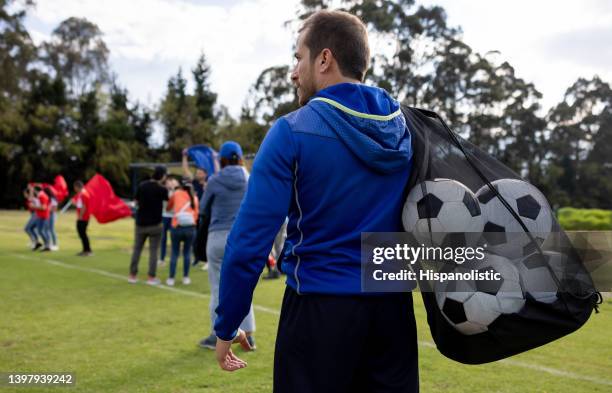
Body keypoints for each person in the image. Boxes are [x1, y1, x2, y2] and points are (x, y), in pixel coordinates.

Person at [213, 10, 416, 393]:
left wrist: (226, 325)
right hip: (394, 315)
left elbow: (249, 242)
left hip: (319, 311)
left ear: (324, 59)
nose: (293, 72)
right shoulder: (408, 127)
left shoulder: (291, 131)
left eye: (297, 58)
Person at [198, 141, 256, 351]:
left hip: (217, 235)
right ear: (240, 157)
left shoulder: (214, 179)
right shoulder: (248, 177)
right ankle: (248, 335)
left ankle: (217, 335)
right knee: (242, 286)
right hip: (240, 236)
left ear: (221, 159)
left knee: (217, 288)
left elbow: (203, 208)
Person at [129, 166, 169, 285]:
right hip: (155, 225)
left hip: (140, 223)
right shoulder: (162, 189)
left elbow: (135, 202)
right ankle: (151, 277)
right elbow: (168, 202)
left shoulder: (142, 185)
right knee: (153, 251)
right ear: (162, 175)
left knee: (137, 249)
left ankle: (132, 275)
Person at [165, 181, 198, 286]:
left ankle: (171, 278)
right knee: (187, 252)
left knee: (174, 253)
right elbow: (196, 215)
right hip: (190, 228)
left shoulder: (176, 194)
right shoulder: (195, 198)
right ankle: (186, 277)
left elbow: (168, 207)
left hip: (176, 226)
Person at [182, 149, 209, 267]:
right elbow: (186, 170)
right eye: (197, 172)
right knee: (195, 238)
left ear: (205, 174)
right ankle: (197, 257)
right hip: (195, 215)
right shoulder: (194, 183)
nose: (198, 174)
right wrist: (184, 157)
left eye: (200, 172)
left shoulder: (210, 184)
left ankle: (207, 259)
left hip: (206, 215)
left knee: (206, 237)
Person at [159, 177, 179, 267]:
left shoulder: (177, 193)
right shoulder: (163, 192)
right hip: (164, 217)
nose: (170, 184)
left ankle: (173, 258)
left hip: (173, 217)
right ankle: (161, 259)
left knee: (173, 239)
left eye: (172, 182)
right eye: (168, 183)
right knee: (163, 239)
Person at [74, 180, 92, 256]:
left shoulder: (84, 194)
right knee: (81, 234)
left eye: (75, 187)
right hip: (82, 217)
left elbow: (84, 206)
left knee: (83, 234)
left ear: (77, 187)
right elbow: (80, 205)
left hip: (83, 217)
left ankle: (88, 250)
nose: (74, 189)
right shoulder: (81, 194)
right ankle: (85, 249)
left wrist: (80, 216)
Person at [32, 185, 52, 252]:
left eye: (34, 190)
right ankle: (47, 245)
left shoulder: (42, 196)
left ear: (36, 190)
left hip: (43, 216)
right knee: (41, 231)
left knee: (41, 231)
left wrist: (34, 207)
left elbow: (43, 207)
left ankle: (47, 245)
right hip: (41, 215)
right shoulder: (41, 195)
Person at [23, 184, 41, 250]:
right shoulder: (30, 198)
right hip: (34, 215)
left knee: (27, 228)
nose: (24, 195)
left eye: (25, 193)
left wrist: (31, 189)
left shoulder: (34, 198)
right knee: (31, 229)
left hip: (36, 214)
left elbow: (31, 196)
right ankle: (36, 242)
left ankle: (35, 242)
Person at [44, 186, 59, 251]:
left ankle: (55, 244)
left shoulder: (53, 198)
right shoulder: (48, 198)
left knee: (51, 229)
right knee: (47, 229)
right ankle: (49, 244)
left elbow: (54, 208)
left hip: (52, 215)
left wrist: (48, 209)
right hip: (48, 214)